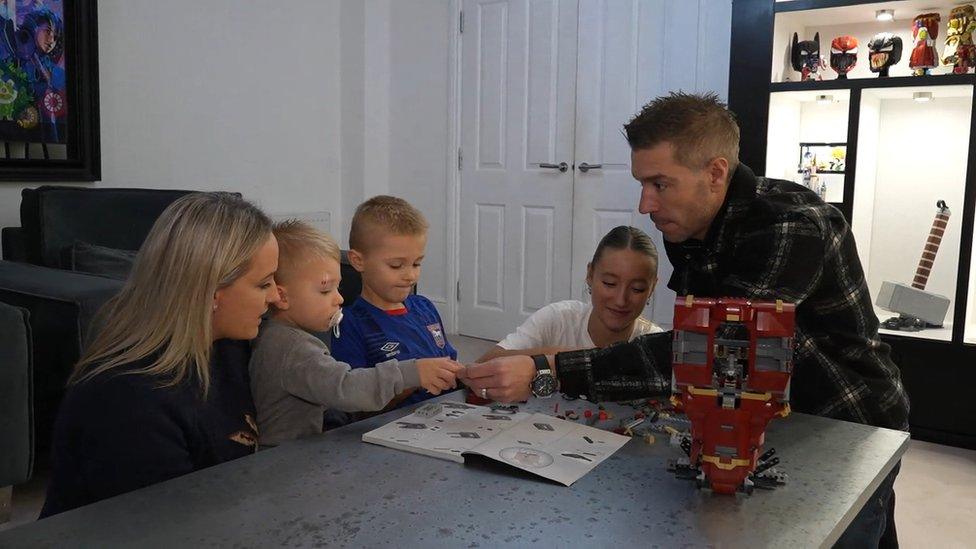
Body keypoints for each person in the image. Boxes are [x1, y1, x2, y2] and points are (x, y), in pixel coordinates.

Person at [459, 92, 909, 548]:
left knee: (846, 528)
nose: (644, 204)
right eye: (642, 184)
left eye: (659, 184)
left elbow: (714, 347)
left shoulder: (791, 227)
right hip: (771, 414)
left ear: (715, 173)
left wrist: (549, 370)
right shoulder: (691, 225)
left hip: (845, 420)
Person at [40, 193, 279, 517]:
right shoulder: (126, 401)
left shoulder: (229, 349)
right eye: (263, 284)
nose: (277, 296)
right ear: (210, 290)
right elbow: (163, 527)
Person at [249, 220, 462, 446]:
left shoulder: (282, 336)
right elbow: (345, 387)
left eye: (337, 288)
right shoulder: (292, 348)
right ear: (282, 297)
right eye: (325, 290)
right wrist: (411, 373)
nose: (339, 299)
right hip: (287, 461)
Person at [331, 195, 458, 409]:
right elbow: (352, 405)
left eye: (417, 264)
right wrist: (414, 378)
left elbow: (450, 362)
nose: (410, 276)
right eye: (396, 266)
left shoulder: (425, 308)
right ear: (358, 261)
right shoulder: (348, 324)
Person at [477, 225, 663, 362]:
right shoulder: (558, 320)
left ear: (652, 288)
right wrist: (554, 356)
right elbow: (485, 363)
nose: (621, 300)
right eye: (610, 283)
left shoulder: (654, 343)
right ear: (590, 275)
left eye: (637, 289)